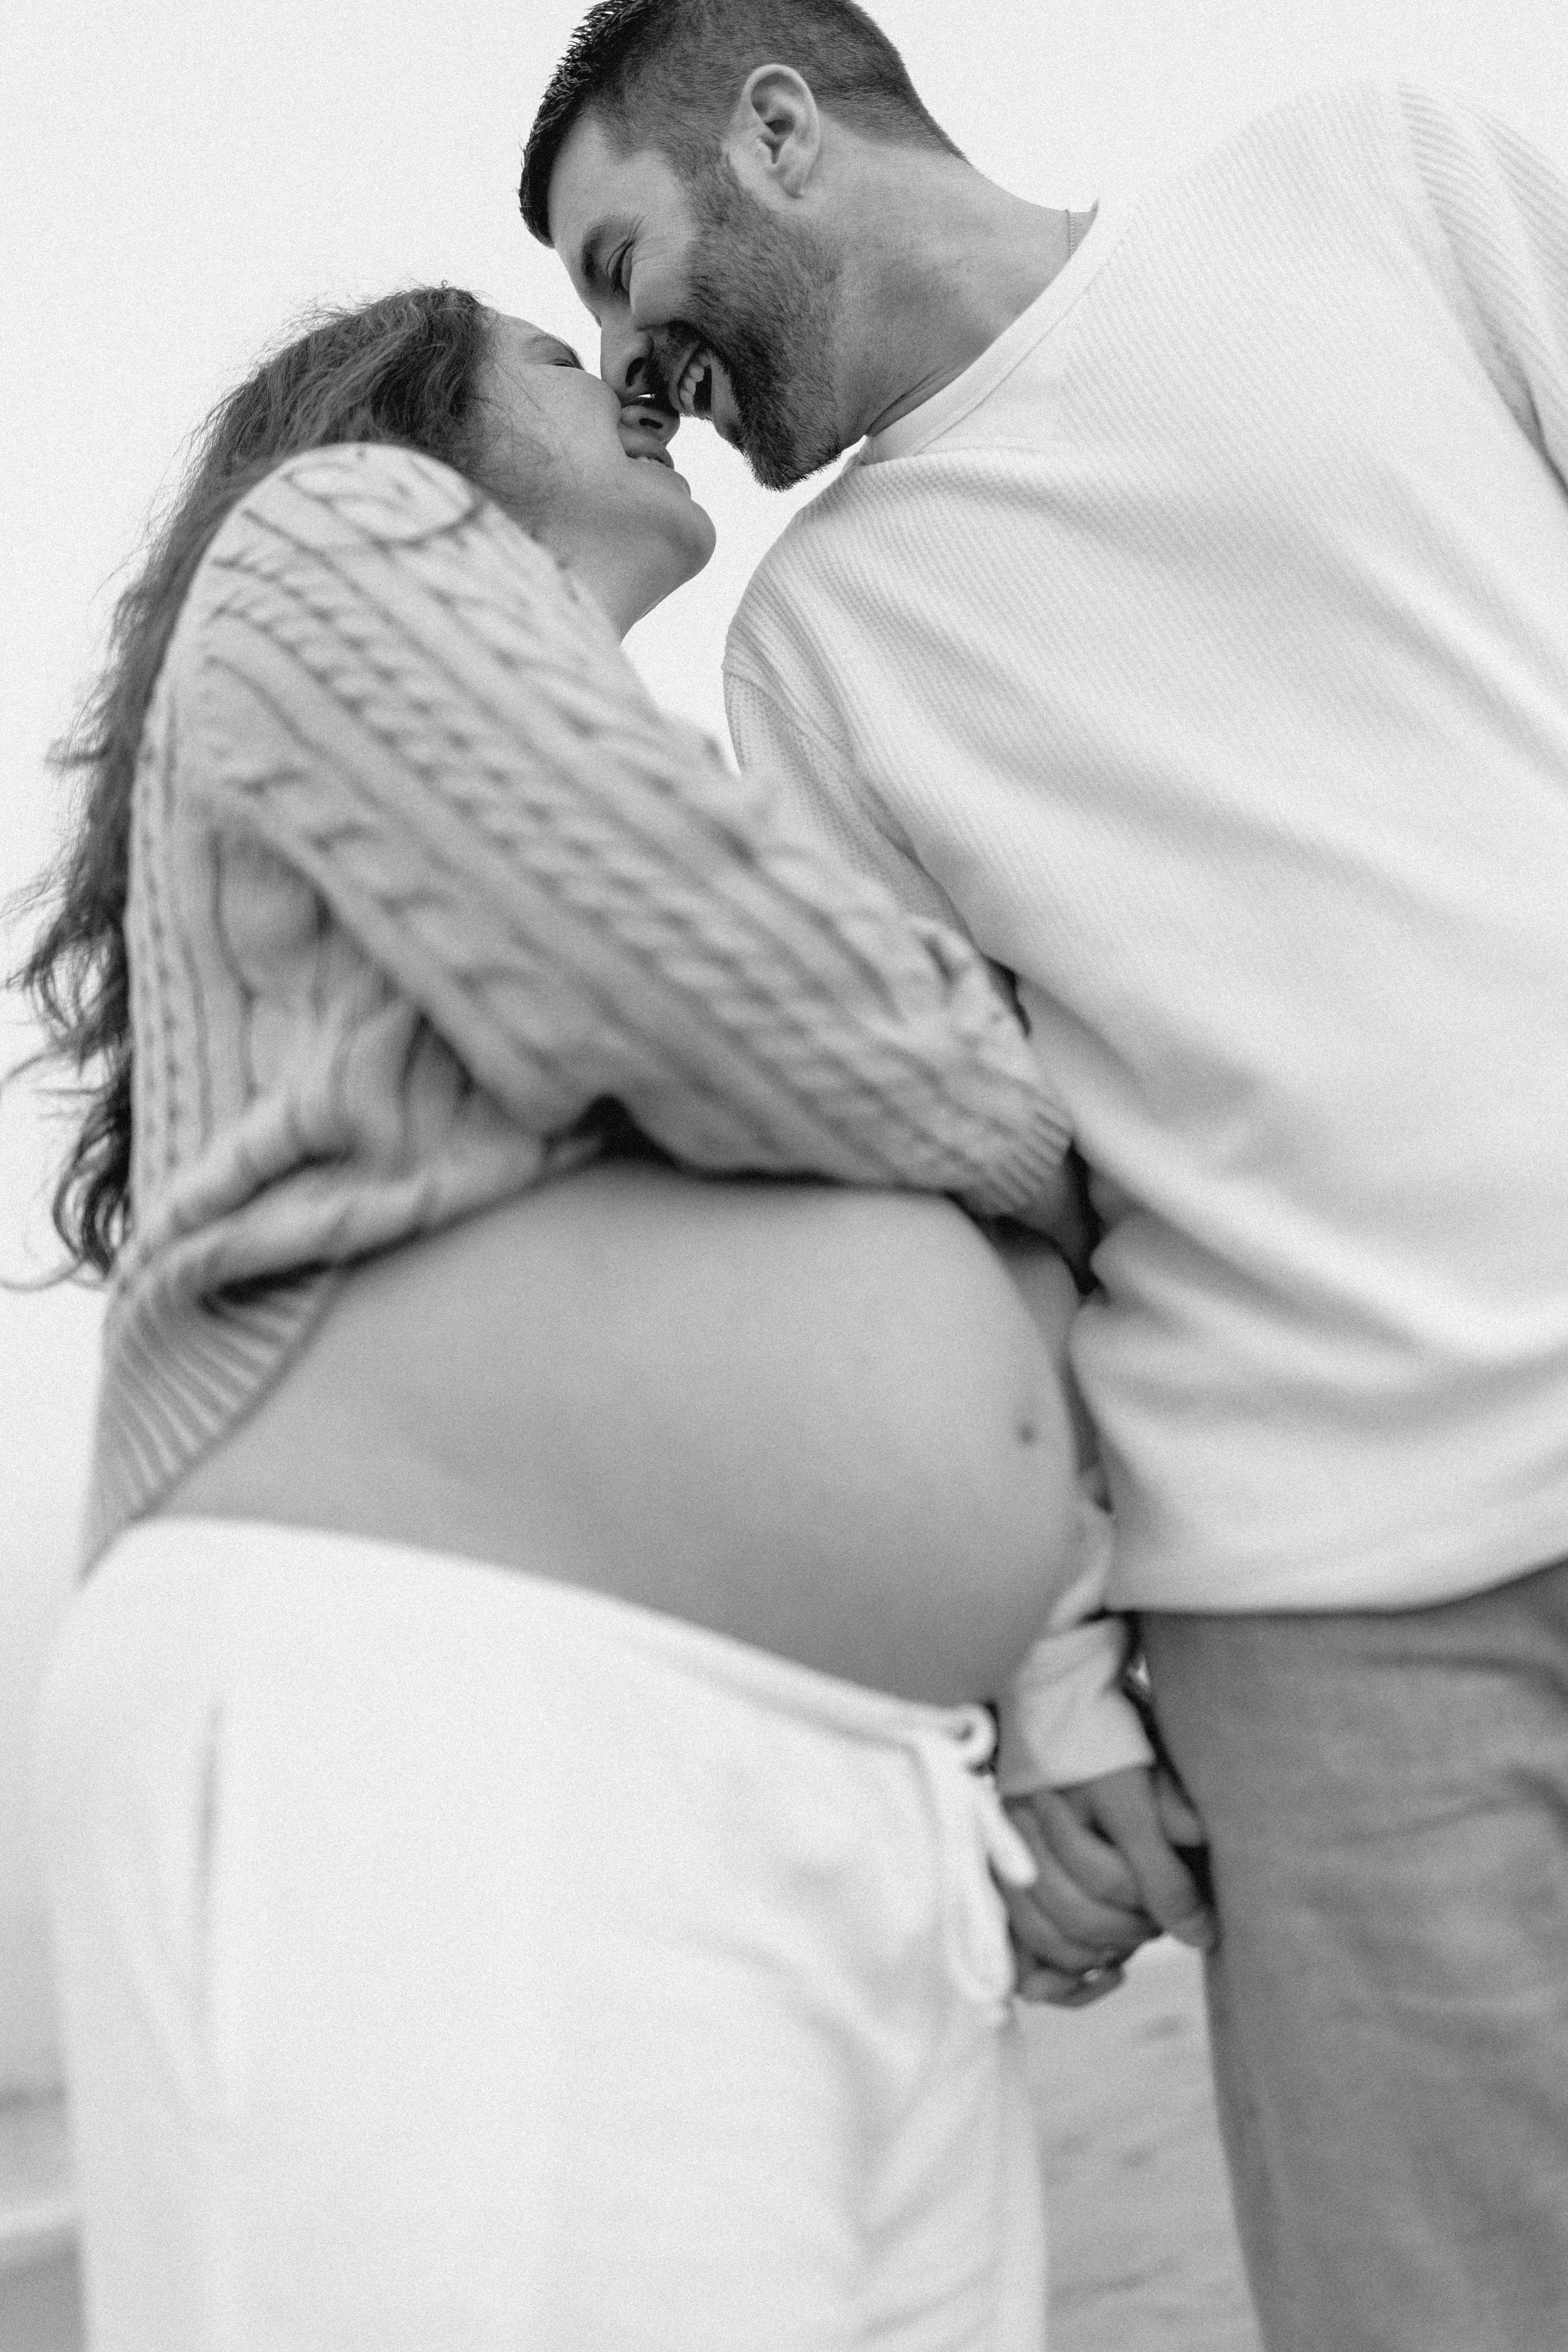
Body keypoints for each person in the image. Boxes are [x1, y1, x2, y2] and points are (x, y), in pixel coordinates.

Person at [522, 5, 1568, 2348]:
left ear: (776, 129)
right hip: (1324, 1628)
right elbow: (940, 1204)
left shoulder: (1371, 182)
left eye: (618, 261)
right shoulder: (817, 648)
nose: (618, 363)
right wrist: (1063, 1688)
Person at [22, 279, 1119, 2351]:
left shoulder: (663, 770)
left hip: (819, 1791)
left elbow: (846, 1082)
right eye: (553, 348)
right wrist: (1045, 1110)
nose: (628, 379)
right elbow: (738, 991)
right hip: (451, 1739)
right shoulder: (340, 528)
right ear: (403, 415)